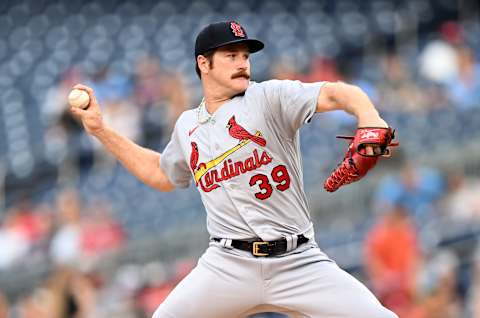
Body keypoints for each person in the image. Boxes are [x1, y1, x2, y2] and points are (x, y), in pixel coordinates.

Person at [70, 21, 398, 318]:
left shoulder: (268, 96)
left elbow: (338, 93)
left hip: (297, 260)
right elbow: (160, 173)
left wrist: (369, 116)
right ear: (203, 63)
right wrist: (100, 129)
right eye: (231, 55)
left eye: (245, 55)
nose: (243, 63)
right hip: (229, 264)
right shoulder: (187, 127)